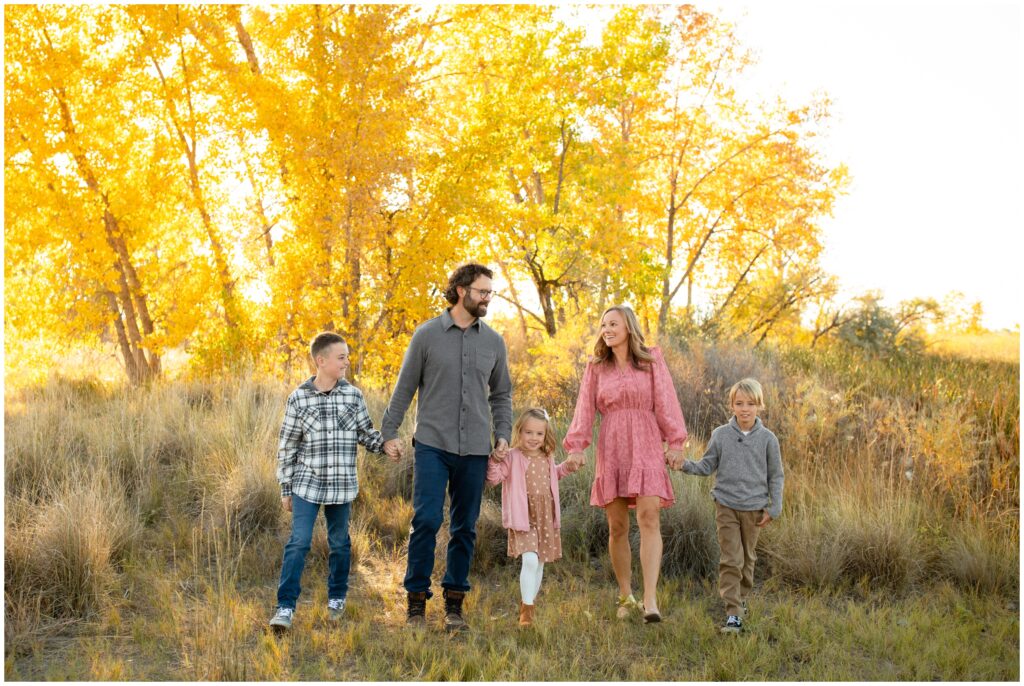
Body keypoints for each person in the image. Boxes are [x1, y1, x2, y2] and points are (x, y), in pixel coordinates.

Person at [381, 262, 513, 632]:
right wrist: (389, 432)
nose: (488, 298)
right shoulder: (426, 336)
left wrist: (503, 434)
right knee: (425, 520)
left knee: (465, 527)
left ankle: (454, 606)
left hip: (475, 448)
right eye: (482, 292)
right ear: (461, 291)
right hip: (432, 445)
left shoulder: (494, 342)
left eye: (491, 292)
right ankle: (416, 605)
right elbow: (404, 388)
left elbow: (502, 395)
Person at [564, 305, 688, 623]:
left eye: (613, 323)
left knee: (649, 518)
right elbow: (583, 410)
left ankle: (650, 599)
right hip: (613, 446)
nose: (606, 329)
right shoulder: (596, 367)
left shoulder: (651, 359)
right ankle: (625, 595)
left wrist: (676, 442)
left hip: (646, 442)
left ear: (628, 328)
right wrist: (576, 447)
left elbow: (666, 400)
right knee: (617, 527)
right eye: (603, 324)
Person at [269, 332, 387, 632]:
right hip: (306, 483)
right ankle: (285, 607)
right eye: (341, 357)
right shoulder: (298, 398)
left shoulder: (353, 396)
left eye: (347, 356)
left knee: (339, 543)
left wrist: (386, 445)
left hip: (341, 485)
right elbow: (288, 446)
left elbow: (365, 432)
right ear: (321, 361)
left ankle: (336, 597)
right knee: (298, 542)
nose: (347, 362)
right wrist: (286, 489)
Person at [680, 378, 784, 634]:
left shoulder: (768, 439)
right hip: (725, 505)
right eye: (739, 403)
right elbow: (706, 465)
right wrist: (682, 464)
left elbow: (776, 475)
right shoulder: (721, 435)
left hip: (755, 509)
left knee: (748, 559)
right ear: (732, 405)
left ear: (759, 405)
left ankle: (741, 597)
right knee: (731, 559)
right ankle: (733, 613)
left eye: (750, 404)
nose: (745, 409)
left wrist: (774, 507)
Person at [485, 408, 578, 627]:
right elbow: (493, 479)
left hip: (546, 515)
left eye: (539, 434)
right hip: (524, 515)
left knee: (540, 563)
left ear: (545, 436)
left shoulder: (547, 456)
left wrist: (567, 467)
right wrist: (494, 460)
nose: (534, 438)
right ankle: (526, 611)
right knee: (530, 559)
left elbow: (552, 475)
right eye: (528, 432)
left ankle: (530, 605)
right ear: (519, 431)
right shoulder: (512, 456)